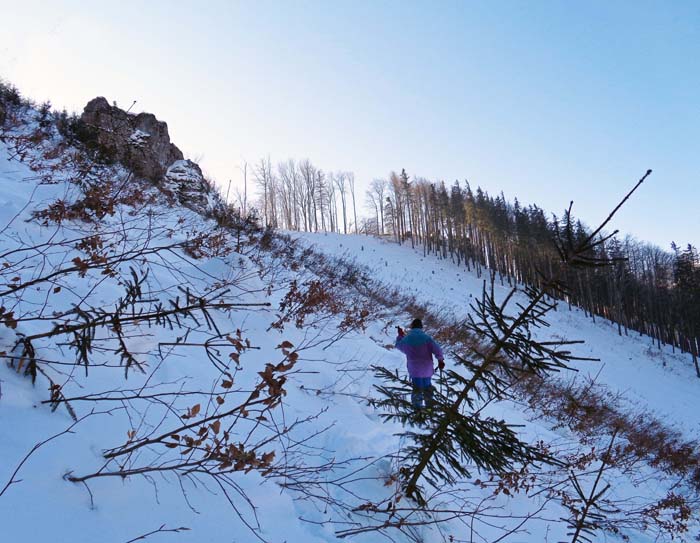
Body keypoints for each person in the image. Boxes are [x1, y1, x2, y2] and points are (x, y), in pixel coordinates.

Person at [395, 318, 445, 408]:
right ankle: (429, 409)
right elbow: (438, 350)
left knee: (417, 390)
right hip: (427, 368)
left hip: (414, 369)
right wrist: (440, 360)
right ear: (421, 327)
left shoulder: (407, 338)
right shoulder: (427, 338)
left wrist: (400, 335)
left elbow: (398, 346)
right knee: (427, 388)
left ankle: (417, 412)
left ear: (412, 326)